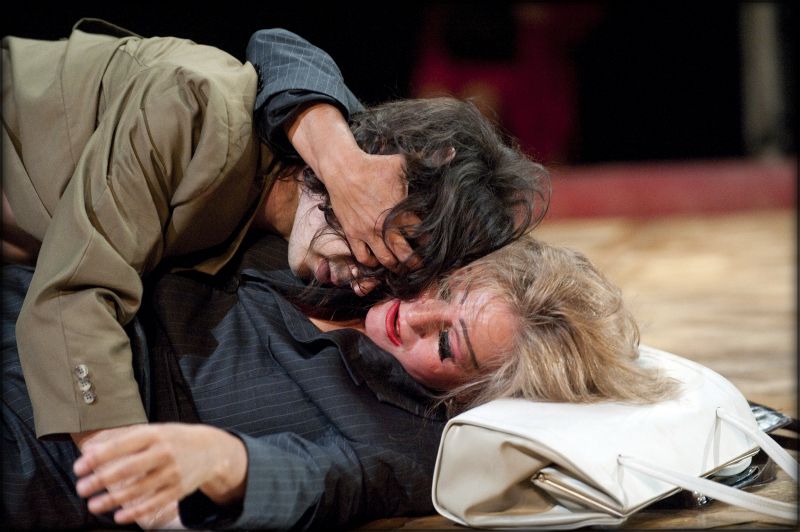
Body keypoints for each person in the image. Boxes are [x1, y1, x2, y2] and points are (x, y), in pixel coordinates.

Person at [1, 19, 549, 453]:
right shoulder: (194, 110)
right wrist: (120, 462)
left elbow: (288, 55)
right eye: (375, 251)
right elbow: (71, 299)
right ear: (367, 170)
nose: (366, 285)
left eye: (391, 276)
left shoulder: (305, 208)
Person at [2, 229, 677, 529]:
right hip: (43, 300)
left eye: (447, 343)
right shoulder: (380, 246)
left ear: (476, 395)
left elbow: (325, 482)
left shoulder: (414, 444)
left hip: (47, 437)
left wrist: (227, 463)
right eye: (446, 290)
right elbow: (282, 60)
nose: (413, 315)